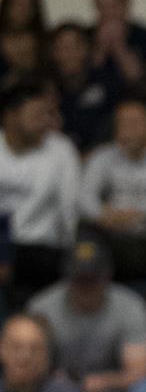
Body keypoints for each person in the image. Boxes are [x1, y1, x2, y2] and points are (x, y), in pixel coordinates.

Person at [25, 237, 146, 392]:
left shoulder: (131, 307)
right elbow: (25, 365)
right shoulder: (42, 308)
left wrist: (100, 382)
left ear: (107, 276)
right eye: (79, 279)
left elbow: (140, 374)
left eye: (92, 280)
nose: (85, 287)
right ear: (66, 277)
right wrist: (52, 380)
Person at [76, 93, 146, 284]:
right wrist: (101, 214)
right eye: (121, 123)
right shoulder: (103, 155)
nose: (126, 130)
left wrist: (139, 213)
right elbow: (83, 196)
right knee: (85, 228)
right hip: (109, 231)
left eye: (134, 123)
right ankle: (87, 290)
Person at [1, 77, 82, 297]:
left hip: (41, 252)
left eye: (47, 114)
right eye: (37, 115)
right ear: (10, 116)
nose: (46, 121)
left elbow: (70, 211)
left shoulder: (61, 150)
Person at [46, 20, 119, 153]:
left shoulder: (107, 82)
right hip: (58, 159)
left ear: (87, 49)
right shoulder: (44, 88)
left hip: (102, 158)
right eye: (61, 48)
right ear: (53, 53)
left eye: (74, 47)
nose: (68, 54)